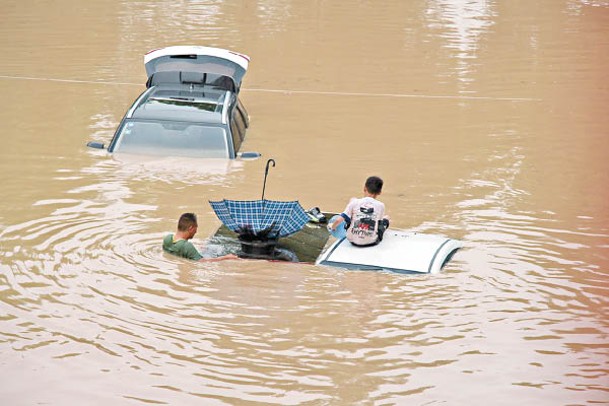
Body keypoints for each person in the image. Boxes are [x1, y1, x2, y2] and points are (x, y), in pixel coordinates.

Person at [330, 176, 390, 246]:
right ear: (379, 192)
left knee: (352, 203)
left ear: (364, 188)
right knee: (387, 218)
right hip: (371, 242)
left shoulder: (354, 202)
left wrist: (333, 227)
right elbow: (379, 223)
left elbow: (338, 220)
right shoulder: (381, 205)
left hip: (352, 240)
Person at [163, 213, 238, 262]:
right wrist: (225, 257)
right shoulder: (187, 246)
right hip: (200, 258)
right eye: (196, 228)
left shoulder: (167, 238)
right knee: (218, 249)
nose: (196, 232)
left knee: (208, 247)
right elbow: (202, 262)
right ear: (191, 228)